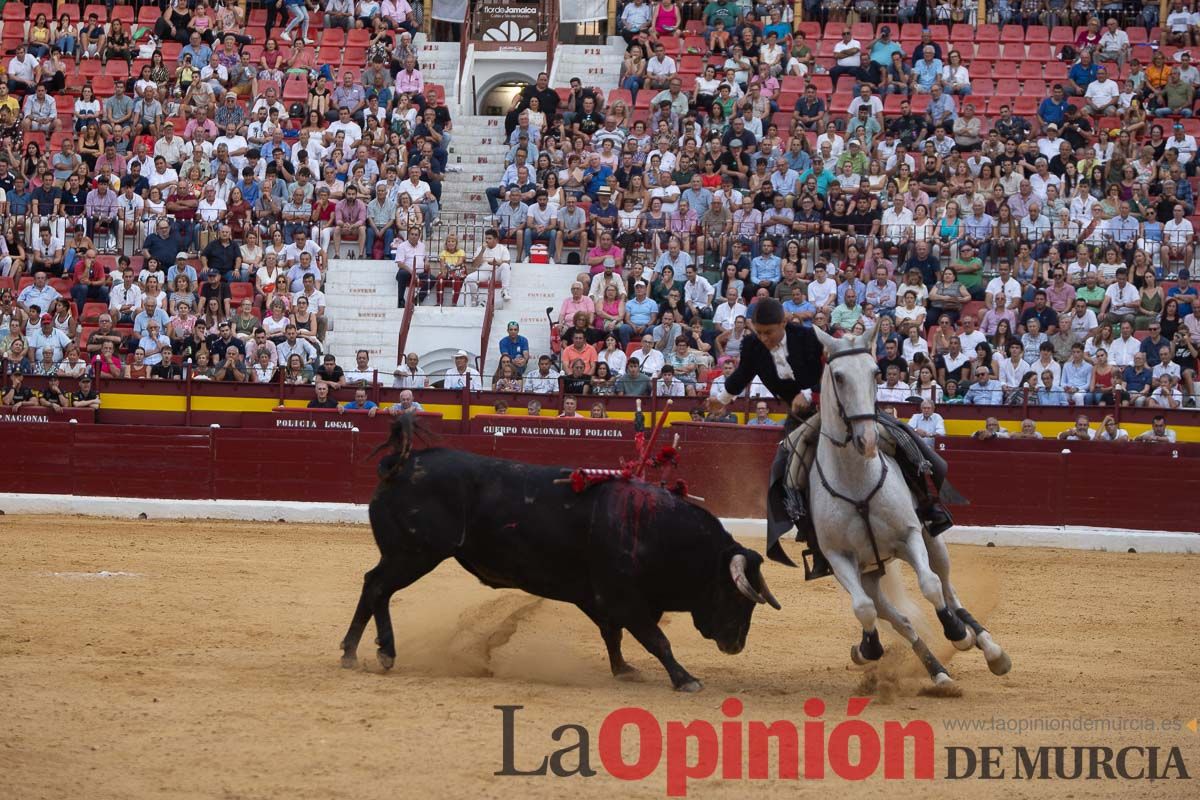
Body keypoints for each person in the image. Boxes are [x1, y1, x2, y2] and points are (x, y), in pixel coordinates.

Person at [705, 297, 955, 572]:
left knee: (900, 436)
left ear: (784, 323)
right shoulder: (753, 346)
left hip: (841, 408)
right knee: (785, 466)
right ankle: (813, 534)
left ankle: (928, 505)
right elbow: (741, 374)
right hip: (801, 418)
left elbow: (840, 361)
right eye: (759, 331)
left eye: (769, 332)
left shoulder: (809, 336)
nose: (763, 338)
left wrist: (810, 392)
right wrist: (723, 399)